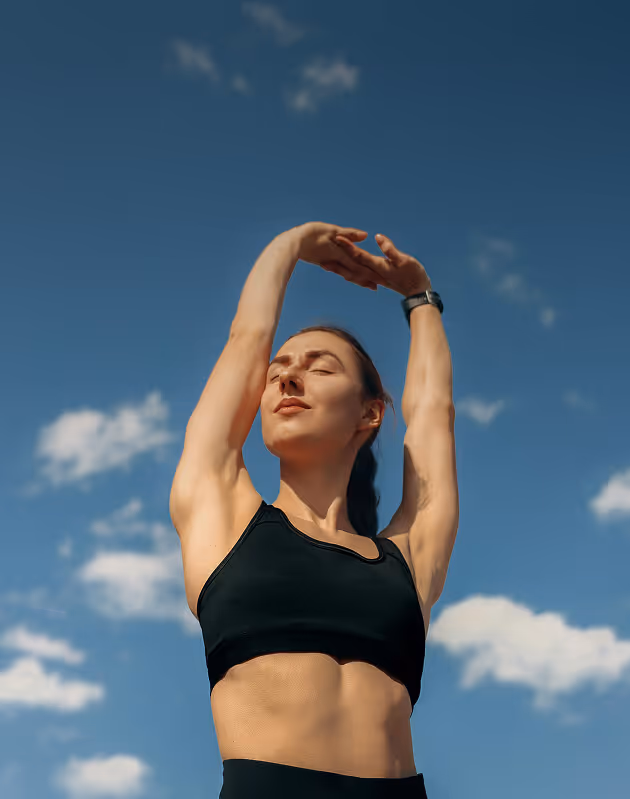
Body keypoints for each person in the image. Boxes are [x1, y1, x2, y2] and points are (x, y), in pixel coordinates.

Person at [170, 222, 457, 798]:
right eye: (276, 372)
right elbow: (246, 339)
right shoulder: (221, 512)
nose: (289, 379)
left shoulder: (408, 558)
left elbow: (433, 416)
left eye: (320, 368)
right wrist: (289, 247)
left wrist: (420, 298)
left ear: (370, 414)